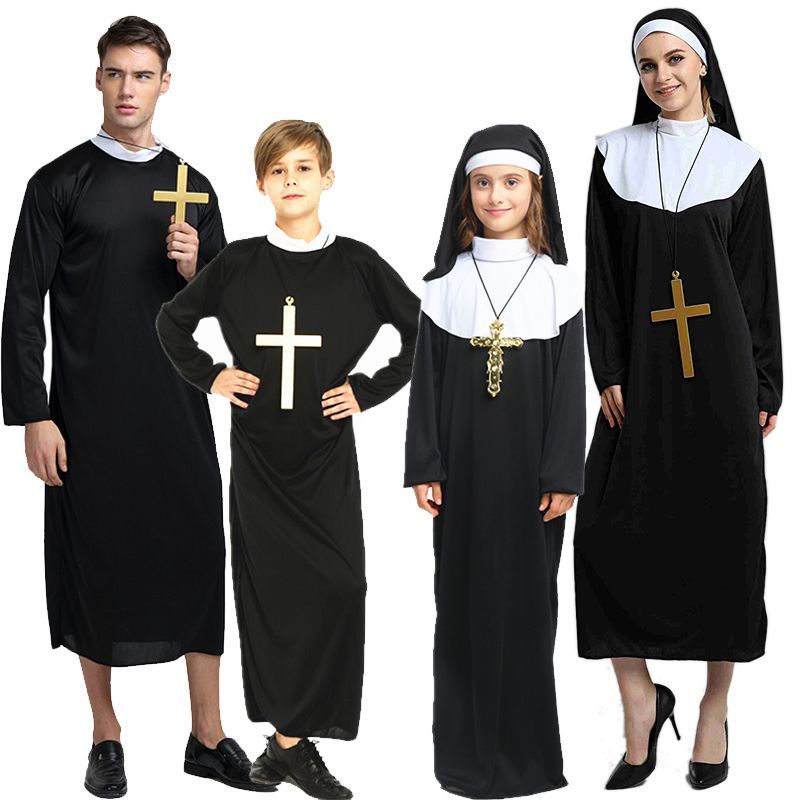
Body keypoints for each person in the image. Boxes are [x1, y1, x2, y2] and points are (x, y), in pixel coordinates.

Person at [0, 16, 267, 797]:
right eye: (115, 73)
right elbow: (22, 304)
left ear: (164, 84)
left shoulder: (193, 186)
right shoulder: (59, 183)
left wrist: (197, 268)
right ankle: (106, 735)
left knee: (198, 553)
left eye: (142, 75)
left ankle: (208, 736)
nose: (128, 89)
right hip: (87, 412)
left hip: (176, 408)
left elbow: (231, 314)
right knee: (97, 562)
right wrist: (33, 412)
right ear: (98, 79)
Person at [156, 119, 420, 800]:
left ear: (327, 178)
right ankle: (293, 748)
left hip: (326, 458)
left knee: (341, 588)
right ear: (261, 184)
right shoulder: (239, 263)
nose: (292, 180)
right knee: (272, 601)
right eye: (278, 170)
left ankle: (284, 748)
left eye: (304, 168)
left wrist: (367, 389)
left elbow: (422, 332)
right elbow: (171, 322)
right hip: (261, 463)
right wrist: (212, 375)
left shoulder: (358, 263)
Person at [573, 8, 782, 791]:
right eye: (647, 65)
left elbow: (756, 283)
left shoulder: (739, 163)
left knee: (726, 541)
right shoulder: (614, 155)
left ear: (702, 64)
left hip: (722, 383)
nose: (662, 76)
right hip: (639, 380)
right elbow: (602, 274)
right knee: (604, 538)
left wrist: (766, 382)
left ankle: (713, 710)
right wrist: (608, 366)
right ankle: (640, 701)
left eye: (674, 60)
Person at [404, 124, 585, 798]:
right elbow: (427, 383)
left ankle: (526, 762)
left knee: (529, 612)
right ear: (466, 192)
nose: (495, 195)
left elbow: (570, 386)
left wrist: (563, 472)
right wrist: (426, 462)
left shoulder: (559, 283)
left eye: (510, 182)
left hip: (533, 480)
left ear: (536, 191)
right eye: (482, 183)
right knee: (459, 608)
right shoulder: (444, 283)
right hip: (462, 476)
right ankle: (464, 760)